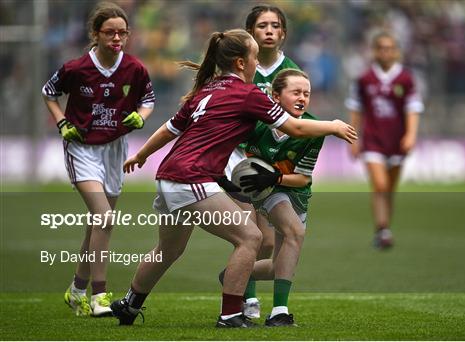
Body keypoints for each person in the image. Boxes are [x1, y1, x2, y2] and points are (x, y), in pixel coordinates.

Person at [110, 29, 357, 328]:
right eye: (253, 57)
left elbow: (168, 129)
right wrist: (332, 125)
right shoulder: (248, 94)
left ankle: (129, 304)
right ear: (241, 63)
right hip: (192, 178)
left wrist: (143, 155)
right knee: (250, 237)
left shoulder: (206, 91)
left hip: (169, 174)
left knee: (169, 249)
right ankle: (229, 315)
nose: (256, 63)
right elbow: (296, 128)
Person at [41, 2, 155, 316]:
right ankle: (99, 296)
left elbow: (148, 99)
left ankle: (77, 289)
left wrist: (140, 117)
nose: (116, 38)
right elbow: (49, 92)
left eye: (122, 32)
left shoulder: (135, 68)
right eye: (109, 32)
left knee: (98, 224)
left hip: (115, 148)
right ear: (96, 34)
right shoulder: (76, 68)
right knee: (104, 218)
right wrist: (62, 122)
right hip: (82, 147)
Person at [220, 4, 302, 320]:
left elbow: (298, 115)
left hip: (269, 164)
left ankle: (237, 280)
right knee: (250, 235)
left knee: (267, 242)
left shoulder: (292, 71)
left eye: (275, 25)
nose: (269, 30)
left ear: (283, 33)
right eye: (262, 25)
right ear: (251, 32)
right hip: (237, 157)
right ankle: (246, 301)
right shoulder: (239, 67)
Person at [241, 68, 324, 326]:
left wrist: (275, 177)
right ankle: (279, 312)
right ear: (275, 96)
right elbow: (241, 156)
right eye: (296, 92)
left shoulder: (313, 130)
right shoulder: (257, 124)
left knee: (279, 266)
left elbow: (303, 178)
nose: (302, 98)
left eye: (307, 94)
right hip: (264, 191)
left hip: (294, 192)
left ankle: (235, 273)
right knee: (295, 233)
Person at [345, 32, 423, 249]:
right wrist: (353, 139)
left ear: (396, 51)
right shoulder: (364, 79)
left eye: (390, 48)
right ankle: (382, 229)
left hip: (397, 141)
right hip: (373, 140)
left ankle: (385, 228)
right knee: (380, 185)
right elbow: (355, 109)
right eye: (382, 48)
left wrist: (411, 135)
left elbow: (413, 109)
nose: (386, 52)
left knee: (389, 188)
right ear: (375, 51)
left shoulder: (405, 79)